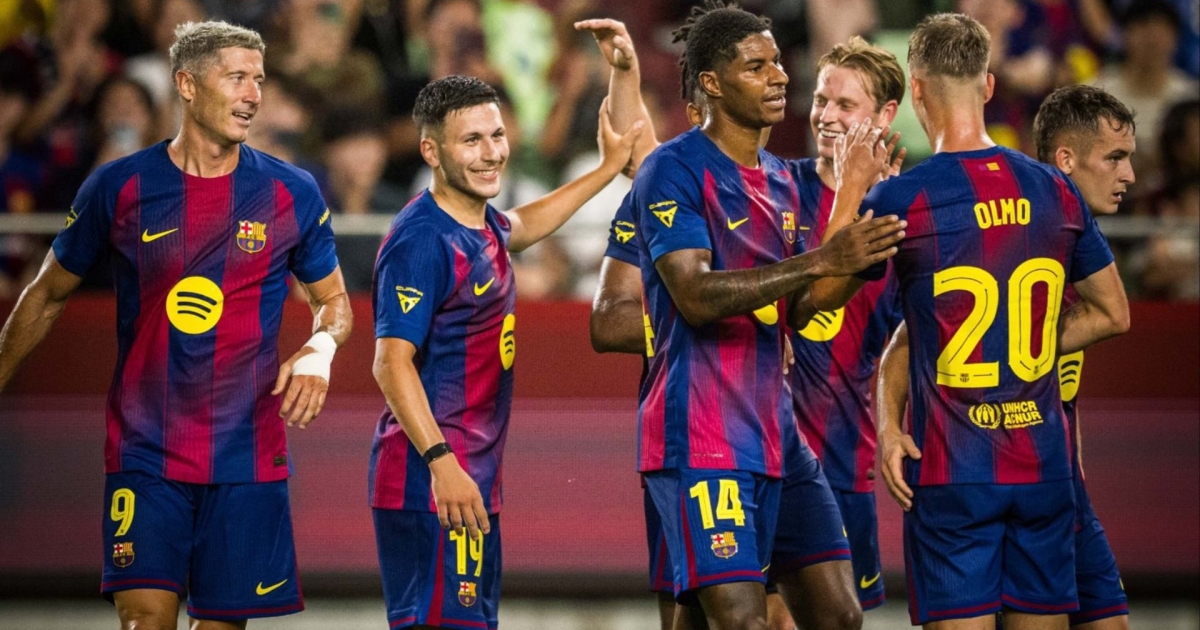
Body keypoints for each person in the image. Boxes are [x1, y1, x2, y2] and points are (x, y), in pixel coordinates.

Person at [0, 20, 353, 630]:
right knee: (145, 621)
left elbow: (335, 302)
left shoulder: (291, 192)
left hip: (246, 457)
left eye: (259, 80)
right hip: (146, 450)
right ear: (187, 85)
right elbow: (46, 294)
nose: (253, 95)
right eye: (236, 78)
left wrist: (321, 346)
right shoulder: (119, 185)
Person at [629, 3, 905, 628]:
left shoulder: (780, 179)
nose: (780, 76)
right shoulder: (672, 168)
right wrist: (821, 259)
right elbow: (694, 295)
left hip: (777, 434)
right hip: (702, 435)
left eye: (778, 62)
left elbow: (800, 310)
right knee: (744, 622)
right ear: (711, 83)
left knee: (840, 616)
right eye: (756, 67)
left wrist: (855, 258)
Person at [858, 13, 1130, 629]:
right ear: (987, 86)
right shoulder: (1055, 190)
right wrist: (1022, 342)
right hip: (1044, 467)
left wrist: (852, 189)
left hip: (953, 471)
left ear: (916, 89)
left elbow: (819, 300)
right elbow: (1113, 312)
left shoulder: (901, 199)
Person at [369, 74, 641, 630]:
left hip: (471, 477)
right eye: (471, 140)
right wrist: (442, 464)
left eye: (496, 135)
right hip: (430, 481)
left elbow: (524, 224)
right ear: (432, 151)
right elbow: (389, 362)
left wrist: (606, 170)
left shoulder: (480, 222)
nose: (491, 152)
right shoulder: (421, 240)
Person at [782, 36, 906, 616]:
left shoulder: (903, 215)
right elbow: (805, 302)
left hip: (844, 457)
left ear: (886, 115)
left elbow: (911, 342)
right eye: (820, 99)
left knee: (838, 619)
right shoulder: (776, 188)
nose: (826, 116)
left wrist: (893, 426)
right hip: (766, 453)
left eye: (845, 105)